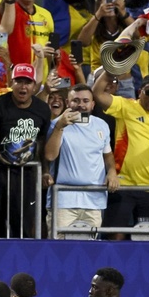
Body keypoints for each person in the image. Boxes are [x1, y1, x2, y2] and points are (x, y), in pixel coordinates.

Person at [92, 69, 149, 239]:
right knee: (114, 239)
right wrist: (111, 68)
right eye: (148, 91)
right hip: (122, 185)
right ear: (140, 92)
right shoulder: (126, 106)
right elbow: (97, 93)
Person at [0, 63, 51, 238]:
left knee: (23, 223)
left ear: (34, 86)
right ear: (11, 83)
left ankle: (22, 261)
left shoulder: (42, 109)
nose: (23, 86)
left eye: (27, 82)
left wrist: (45, 171)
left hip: (25, 175)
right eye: (19, 81)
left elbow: (41, 142)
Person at [44, 84, 118, 237]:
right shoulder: (57, 124)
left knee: (90, 253)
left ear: (93, 104)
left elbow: (108, 156)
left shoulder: (102, 125)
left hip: (94, 201)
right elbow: (50, 156)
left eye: (85, 101)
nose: (81, 105)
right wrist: (59, 127)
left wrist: (112, 171)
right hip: (63, 201)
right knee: (60, 251)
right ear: (67, 102)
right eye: (76, 100)